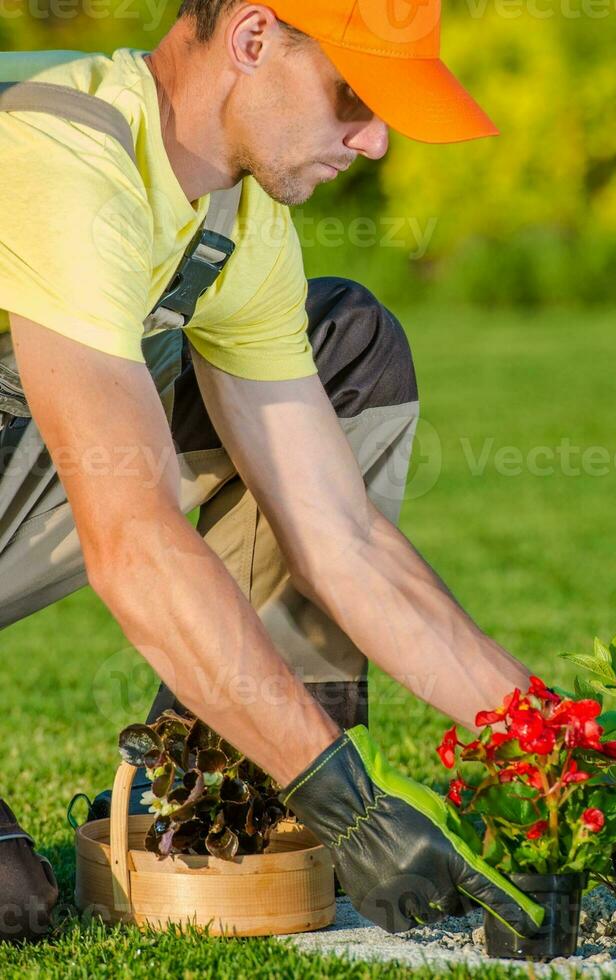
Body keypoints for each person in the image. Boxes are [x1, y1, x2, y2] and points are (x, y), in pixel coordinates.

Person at [0, 0, 545, 941]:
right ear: (254, 40)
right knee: (12, 902)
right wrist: (352, 809)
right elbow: (130, 542)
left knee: (344, 344)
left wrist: (558, 748)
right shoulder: (63, 158)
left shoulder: (236, 224)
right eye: (355, 97)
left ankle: (224, 778)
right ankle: (289, 763)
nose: (374, 142)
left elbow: (343, 539)